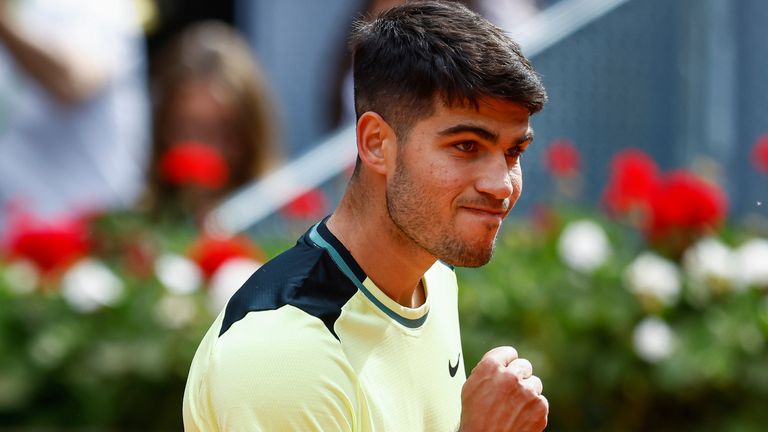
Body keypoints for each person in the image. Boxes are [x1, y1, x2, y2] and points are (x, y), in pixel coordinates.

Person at [183, 1, 548, 431]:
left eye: (513, 151)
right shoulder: (281, 355)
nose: (501, 184)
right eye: (466, 145)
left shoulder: (435, 281)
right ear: (375, 143)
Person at [0, 0, 149, 230]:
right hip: (12, 242)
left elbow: (73, 83)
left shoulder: (99, 6)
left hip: (87, 241)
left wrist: (4, 25)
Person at [146, 20, 277, 220]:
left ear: (252, 135)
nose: (203, 151)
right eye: (185, 130)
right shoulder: (138, 230)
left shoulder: (284, 226)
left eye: (224, 134)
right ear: (161, 127)